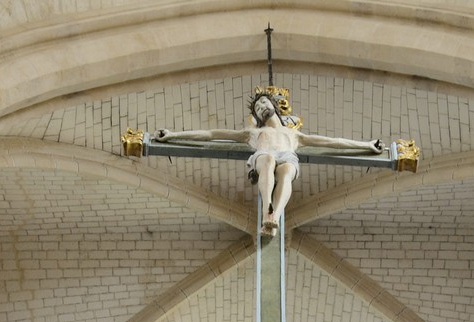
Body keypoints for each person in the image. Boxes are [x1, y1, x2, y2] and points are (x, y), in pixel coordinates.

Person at [156, 91, 384, 236]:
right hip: (264, 154)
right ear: (256, 117)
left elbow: (333, 142)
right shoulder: (252, 133)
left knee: (286, 171)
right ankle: (268, 209)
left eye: (264, 102)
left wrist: (366, 145)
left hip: (288, 155)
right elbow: (211, 134)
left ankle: (275, 217)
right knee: (267, 160)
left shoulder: (295, 135)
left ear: (273, 103)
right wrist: (173, 136)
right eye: (257, 108)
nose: (261, 107)